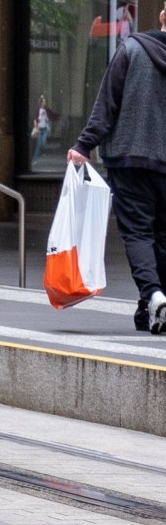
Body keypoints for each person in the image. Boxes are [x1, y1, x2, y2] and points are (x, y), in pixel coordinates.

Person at [73, 23, 166, 330]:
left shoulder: (131, 49)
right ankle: (150, 308)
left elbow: (107, 104)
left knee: (138, 233)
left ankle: (153, 295)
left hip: (130, 160)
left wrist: (84, 145)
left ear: (163, 15)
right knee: (163, 237)